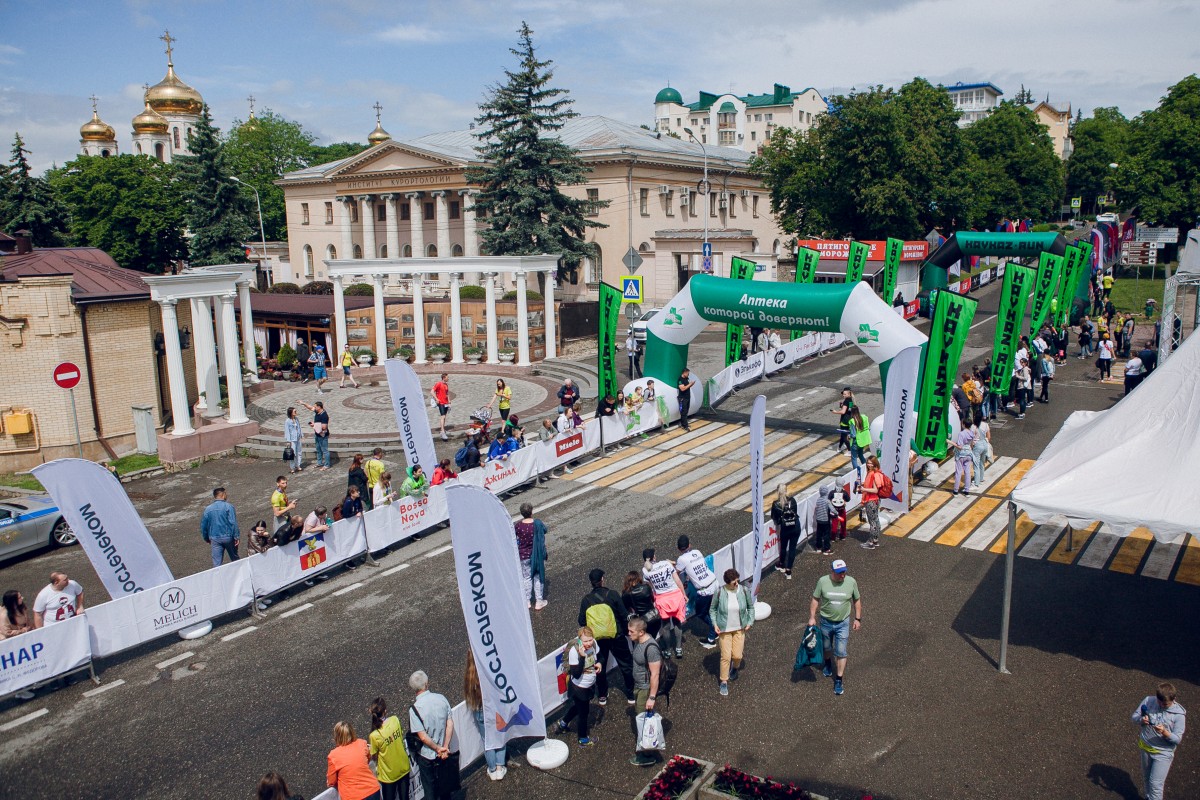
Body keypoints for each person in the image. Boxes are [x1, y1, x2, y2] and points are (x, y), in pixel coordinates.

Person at [578, 568, 635, 704]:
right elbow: (623, 614)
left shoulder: (586, 600)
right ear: (602, 580)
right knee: (626, 664)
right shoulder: (612, 594)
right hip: (617, 636)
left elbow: (581, 621)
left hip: (597, 640)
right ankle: (631, 694)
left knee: (599, 666)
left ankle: (602, 695)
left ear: (591, 583)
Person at [808, 559, 862, 696]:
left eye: (844, 572)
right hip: (825, 621)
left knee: (841, 651)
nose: (842, 575)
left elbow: (857, 600)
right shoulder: (822, 582)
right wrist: (812, 617)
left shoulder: (851, 582)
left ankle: (838, 680)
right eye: (839, 573)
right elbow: (815, 599)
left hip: (843, 623)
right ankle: (827, 663)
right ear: (832, 572)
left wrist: (857, 618)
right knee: (827, 647)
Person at [1131, 682, 1186, 800]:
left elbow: (1177, 739)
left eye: (1165, 704)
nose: (1161, 705)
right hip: (1146, 748)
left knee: (1155, 785)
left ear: (1174, 699)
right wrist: (1141, 720)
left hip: (1163, 753)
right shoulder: (1148, 701)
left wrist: (1165, 733)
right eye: (1159, 702)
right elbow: (1134, 717)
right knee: (1146, 779)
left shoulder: (1179, 716)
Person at [408, 670, 455, 800]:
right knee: (446, 788)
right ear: (427, 684)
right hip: (444, 753)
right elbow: (450, 724)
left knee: (430, 791)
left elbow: (422, 737)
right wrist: (444, 747)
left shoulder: (415, 709)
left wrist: (437, 749)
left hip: (427, 756)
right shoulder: (441, 698)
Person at [464, 653, 508, 781]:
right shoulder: (488, 670)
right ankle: (500, 767)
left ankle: (492, 769)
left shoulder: (469, 676)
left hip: (478, 710)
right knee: (500, 736)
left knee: (487, 740)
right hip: (493, 709)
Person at [555, 626, 601, 746]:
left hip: (589, 684)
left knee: (578, 707)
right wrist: (582, 656)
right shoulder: (574, 651)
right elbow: (576, 673)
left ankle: (563, 723)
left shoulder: (594, 644)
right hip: (579, 687)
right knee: (584, 713)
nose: (588, 643)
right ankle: (583, 739)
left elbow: (599, 656)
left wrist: (600, 662)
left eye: (590, 640)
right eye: (585, 641)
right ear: (580, 640)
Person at [712, 568, 754, 697]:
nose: (737, 584)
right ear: (727, 582)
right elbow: (712, 609)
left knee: (737, 656)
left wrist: (749, 622)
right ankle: (724, 681)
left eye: (738, 581)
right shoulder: (719, 592)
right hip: (724, 629)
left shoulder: (744, 590)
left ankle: (735, 667)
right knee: (725, 656)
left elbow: (750, 607)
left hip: (739, 628)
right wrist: (714, 624)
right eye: (734, 583)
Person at [626, 616, 662, 767]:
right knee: (642, 718)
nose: (629, 633)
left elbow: (655, 674)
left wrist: (651, 697)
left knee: (643, 721)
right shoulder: (638, 641)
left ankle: (646, 754)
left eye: (631, 631)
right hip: (638, 685)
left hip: (645, 689)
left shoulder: (651, 648)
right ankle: (645, 748)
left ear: (641, 632)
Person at [642, 546, 687, 658]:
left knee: (666, 626)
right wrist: (684, 594)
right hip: (676, 597)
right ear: (654, 556)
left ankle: (667, 650)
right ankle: (678, 648)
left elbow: (652, 587)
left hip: (662, 600)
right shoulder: (666, 564)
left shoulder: (645, 571)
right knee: (677, 623)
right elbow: (677, 580)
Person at [675, 536, 718, 648]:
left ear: (679, 549)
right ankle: (715, 630)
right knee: (710, 610)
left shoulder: (681, 560)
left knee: (701, 613)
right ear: (690, 545)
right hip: (714, 583)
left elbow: (676, 572)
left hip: (705, 590)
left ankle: (712, 636)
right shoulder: (697, 552)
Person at [367, 697, 411, 800]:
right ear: (385, 711)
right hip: (403, 767)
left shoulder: (374, 735)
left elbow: (374, 756)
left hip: (388, 775)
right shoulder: (395, 720)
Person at [326, 721, 381, 800]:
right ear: (352, 732)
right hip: (372, 790)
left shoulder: (333, 756)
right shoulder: (362, 743)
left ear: (337, 736)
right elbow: (368, 759)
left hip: (352, 796)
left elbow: (331, 781)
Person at [515, 503, 548, 610]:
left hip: (524, 556)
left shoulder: (518, 526)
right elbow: (545, 530)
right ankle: (539, 601)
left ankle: (527, 601)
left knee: (527, 578)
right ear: (531, 512)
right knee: (538, 576)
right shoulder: (537, 524)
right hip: (537, 555)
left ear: (521, 513)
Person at [200, 487, 240, 567]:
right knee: (235, 559)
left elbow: (203, 525)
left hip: (214, 538)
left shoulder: (208, 509)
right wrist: (236, 536)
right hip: (228, 537)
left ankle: (218, 578)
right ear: (223, 494)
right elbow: (233, 523)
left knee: (217, 564)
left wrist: (206, 538)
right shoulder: (228, 507)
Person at [771, 483, 805, 572]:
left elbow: (774, 518)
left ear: (778, 492)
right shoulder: (792, 500)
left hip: (785, 528)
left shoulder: (776, 504)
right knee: (792, 548)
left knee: (783, 547)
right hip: (795, 526)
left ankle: (781, 564)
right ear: (786, 490)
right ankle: (789, 567)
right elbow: (795, 512)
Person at [622, 571, 660, 638]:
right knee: (656, 635)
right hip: (655, 616)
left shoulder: (626, 594)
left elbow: (626, 608)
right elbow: (653, 599)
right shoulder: (646, 587)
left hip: (642, 620)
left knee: (646, 639)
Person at [859, 456, 884, 549]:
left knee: (872, 521)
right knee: (876, 520)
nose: (869, 465)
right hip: (876, 500)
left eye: (871, 463)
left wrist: (863, 488)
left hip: (871, 501)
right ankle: (875, 540)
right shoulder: (877, 472)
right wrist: (864, 484)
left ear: (875, 463)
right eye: (868, 463)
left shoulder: (873, 474)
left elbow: (875, 490)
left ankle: (870, 542)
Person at [302, 401, 331, 470]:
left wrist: (314, 425)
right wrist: (303, 403)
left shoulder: (324, 415)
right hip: (317, 434)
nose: (314, 408)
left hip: (323, 435)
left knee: (325, 450)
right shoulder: (317, 411)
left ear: (319, 407)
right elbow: (310, 408)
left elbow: (324, 427)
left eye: (315, 407)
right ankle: (319, 462)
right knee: (318, 449)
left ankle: (327, 465)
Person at [947, 426, 975, 495]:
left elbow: (959, 447)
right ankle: (967, 490)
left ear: (964, 424)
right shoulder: (972, 433)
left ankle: (956, 490)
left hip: (960, 455)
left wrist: (950, 442)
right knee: (967, 472)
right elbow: (972, 444)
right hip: (969, 454)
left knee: (958, 472)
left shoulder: (961, 434)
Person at [812, 482, 835, 556]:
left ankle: (818, 548)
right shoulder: (827, 501)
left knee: (819, 534)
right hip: (825, 520)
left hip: (819, 520)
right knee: (826, 535)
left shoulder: (818, 500)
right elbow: (832, 509)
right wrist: (837, 513)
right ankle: (826, 549)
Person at [847, 407, 871, 479]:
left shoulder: (852, 421)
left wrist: (849, 436)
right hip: (863, 441)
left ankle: (856, 473)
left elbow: (853, 435)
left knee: (854, 458)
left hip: (855, 442)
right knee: (860, 454)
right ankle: (867, 469)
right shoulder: (864, 417)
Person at [832, 388, 855, 454]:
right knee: (843, 434)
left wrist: (835, 412)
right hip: (849, 420)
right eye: (843, 394)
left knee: (844, 436)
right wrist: (842, 406)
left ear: (848, 394)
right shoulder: (851, 400)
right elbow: (849, 409)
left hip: (844, 421)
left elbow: (843, 412)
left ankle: (850, 450)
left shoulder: (846, 401)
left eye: (845, 394)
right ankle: (839, 447)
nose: (843, 395)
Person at [431, 373, 451, 441]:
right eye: (447, 377)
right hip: (441, 403)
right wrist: (436, 399)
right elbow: (432, 391)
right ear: (444, 377)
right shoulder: (439, 384)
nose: (448, 378)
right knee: (442, 416)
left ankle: (443, 429)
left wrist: (449, 401)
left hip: (445, 403)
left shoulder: (446, 385)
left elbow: (447, 393)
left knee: (444, 416)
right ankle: (442, 431)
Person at [970, 422, 991, 489]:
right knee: (982, 463)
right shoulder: (985, 424)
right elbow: (989, 436)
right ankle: (981, 479)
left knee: (976, 465)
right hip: (984, 443)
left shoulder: (973, 426)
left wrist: (971, 447)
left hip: (977, 445)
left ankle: (976, 483)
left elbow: (971, 438)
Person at [284, 407, 304, 473]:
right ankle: (292, 467)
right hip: (292, 439)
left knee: (299, 452)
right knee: (293, 453)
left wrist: (301, 435)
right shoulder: (287, 421)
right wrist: (288, 441)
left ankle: (298, 465)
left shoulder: (296, 419)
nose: (295, 412)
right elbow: (287, 431)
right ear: (291, 413)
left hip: (298, 438)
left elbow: (299, 427)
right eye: (294, 411)